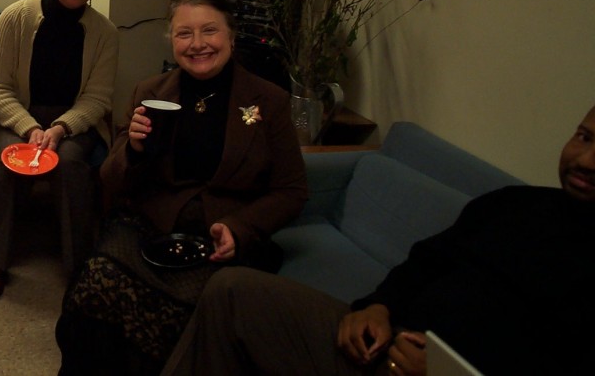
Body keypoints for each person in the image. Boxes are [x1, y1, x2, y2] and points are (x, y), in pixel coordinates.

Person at [161, 104, 595, 376]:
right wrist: (376, 306)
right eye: (584, 137)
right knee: (232, 289)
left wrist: (445, 372)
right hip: (381, 343)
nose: (587, 160)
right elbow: (427, 261)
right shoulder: (514, 204)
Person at [55, 0, 308, 375]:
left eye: (210, 31)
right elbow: (110, 180)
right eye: (184, 33)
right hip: (149, 223)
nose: (197, 44)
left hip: (220, 234)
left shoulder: (268, 101)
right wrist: (133, 149)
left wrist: (240, 229)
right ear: (172, 41)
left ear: (231, 36)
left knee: (176, 314)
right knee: (94, 286)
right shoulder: (150, 93)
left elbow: (292, 191)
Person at [0, 0, 119, 299]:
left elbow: (98, 98)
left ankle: (78, 264)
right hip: (17, 115)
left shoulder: (105, 32)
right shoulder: (16, 17)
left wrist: (60, 128)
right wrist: (29, 128)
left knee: (69, 164)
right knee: (10, 163)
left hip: (74, 121)